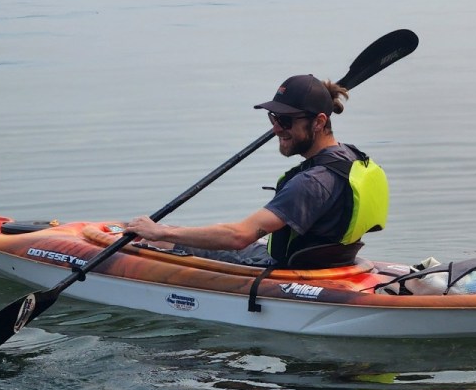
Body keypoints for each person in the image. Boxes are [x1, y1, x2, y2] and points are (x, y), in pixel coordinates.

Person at [126, 74, 389, 269]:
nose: (276, 128)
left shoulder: (311, 183)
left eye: (285, 120)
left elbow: (239, 236)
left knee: (164, 242)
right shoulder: (351, 158)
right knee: (193, 233)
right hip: (335, 264)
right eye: (274, 118)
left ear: (319, 122)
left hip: (287, 272)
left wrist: (160, 232)